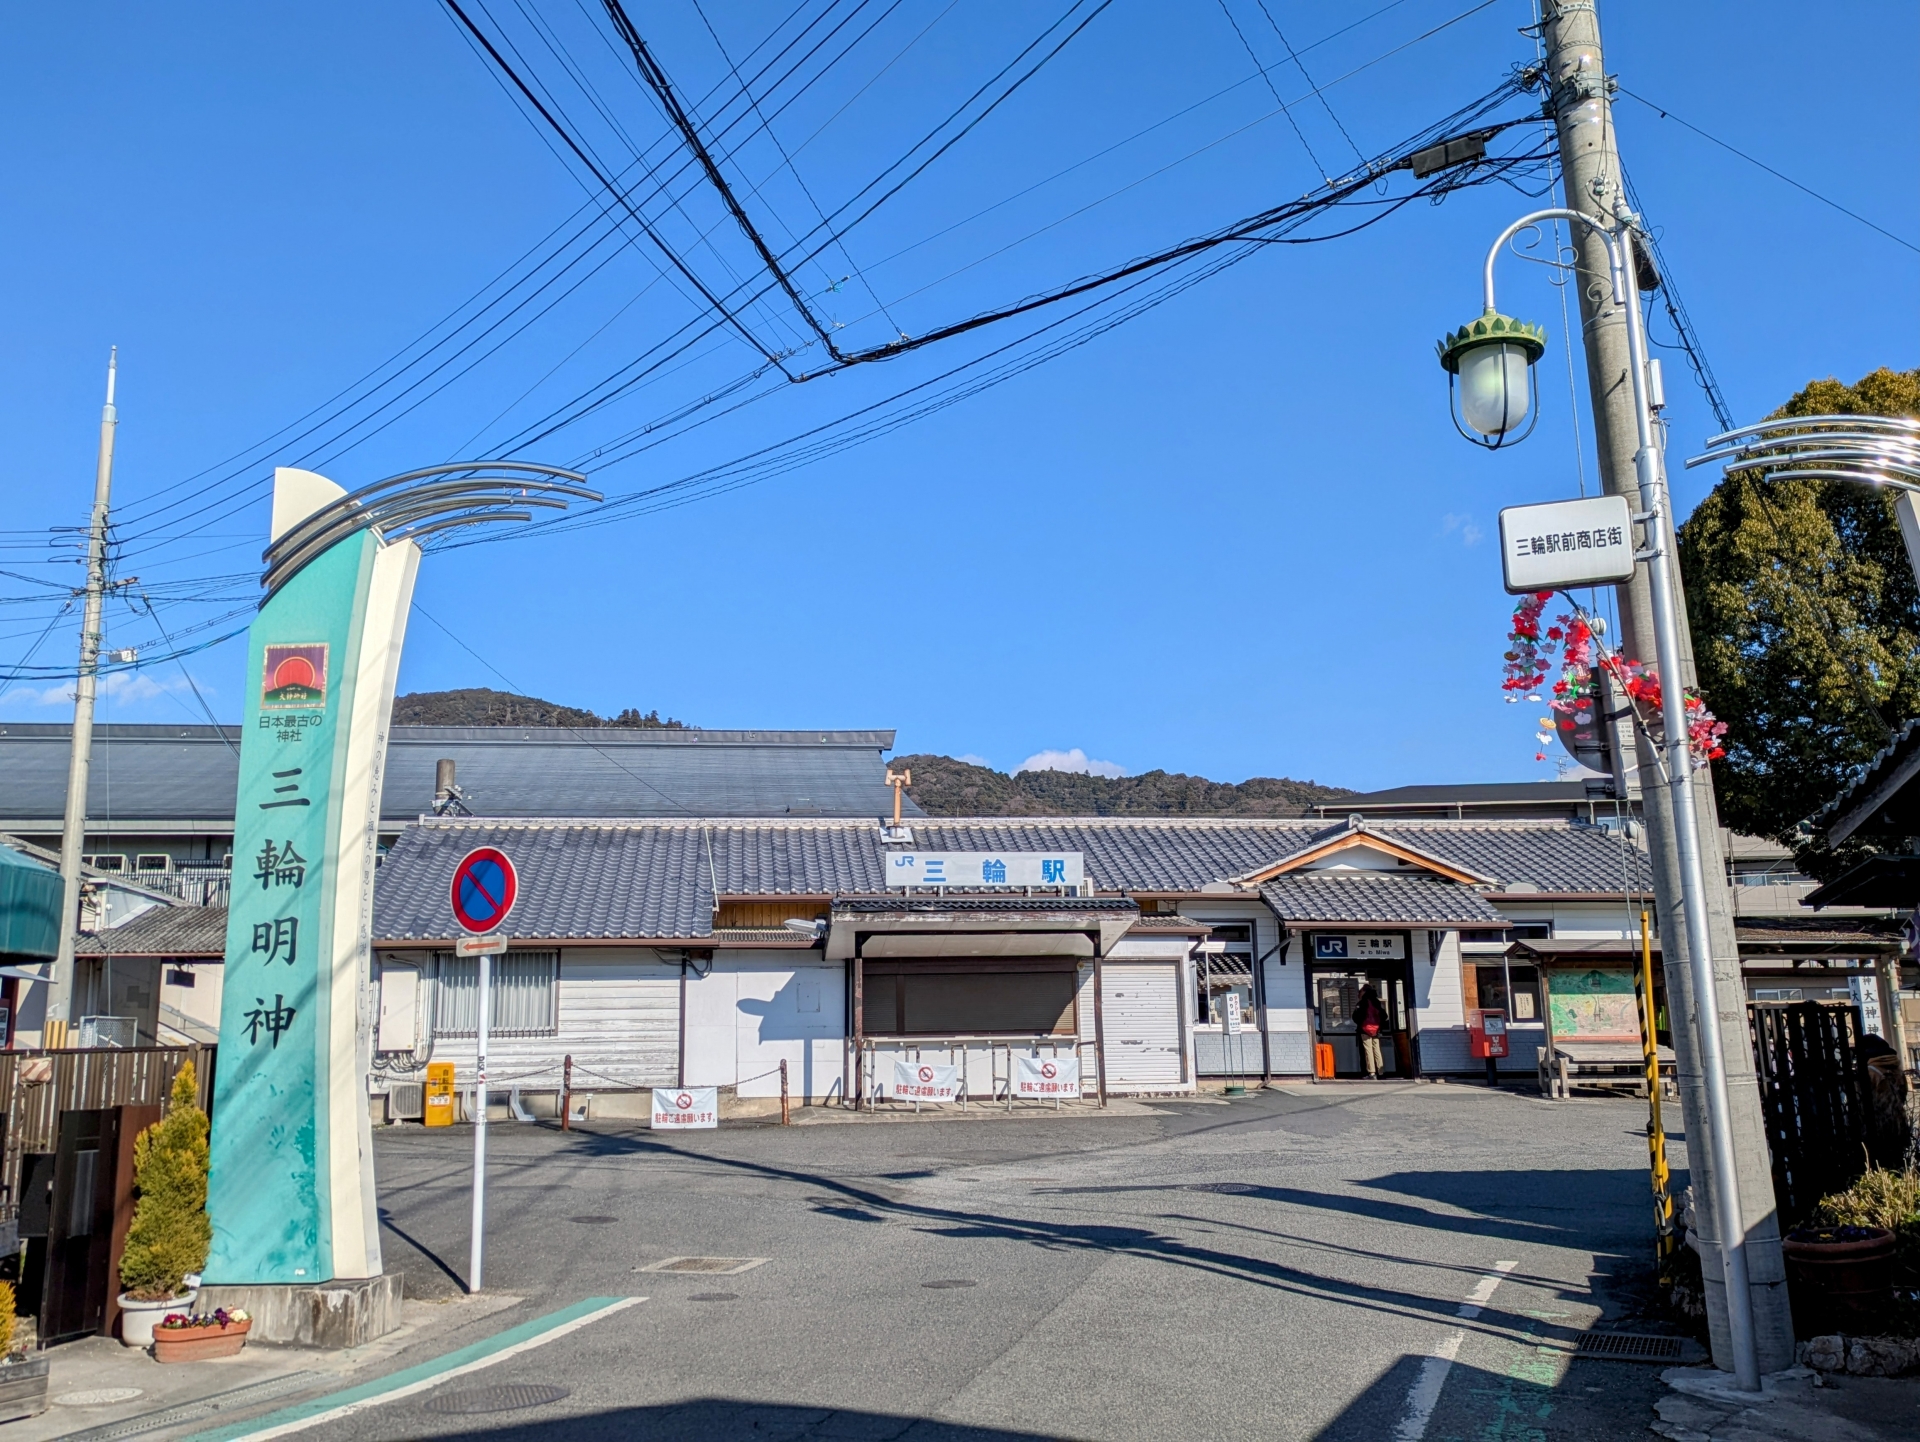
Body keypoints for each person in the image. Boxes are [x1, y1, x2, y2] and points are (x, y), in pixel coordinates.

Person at [1354, 983, 1388, 1079]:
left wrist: (1361, 1023)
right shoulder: (1377, 1002)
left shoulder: (1362, 1003)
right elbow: (1384, 1016)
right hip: (1376, 1030)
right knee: (1377, 1050)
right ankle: (1381, 1072)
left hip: (1365, 1030)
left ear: (1364, 992)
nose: (1359, 993)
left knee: (1368, 1050)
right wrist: (1379, 1025)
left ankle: (1372, 1073)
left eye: (1360, 991)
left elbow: (1355, 1017)